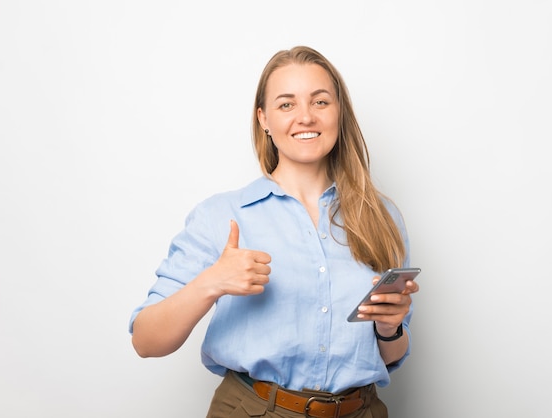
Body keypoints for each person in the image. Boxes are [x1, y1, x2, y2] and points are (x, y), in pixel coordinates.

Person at [129, 45, 419, 418]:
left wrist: (390, 327)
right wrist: (211, 282)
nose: (305, 117)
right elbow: (145, 340)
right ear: (263, 119)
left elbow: (392, 355)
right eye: (286, 105)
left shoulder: (382, 217)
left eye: (320, 102)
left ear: (339, 113)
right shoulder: (222, 216)